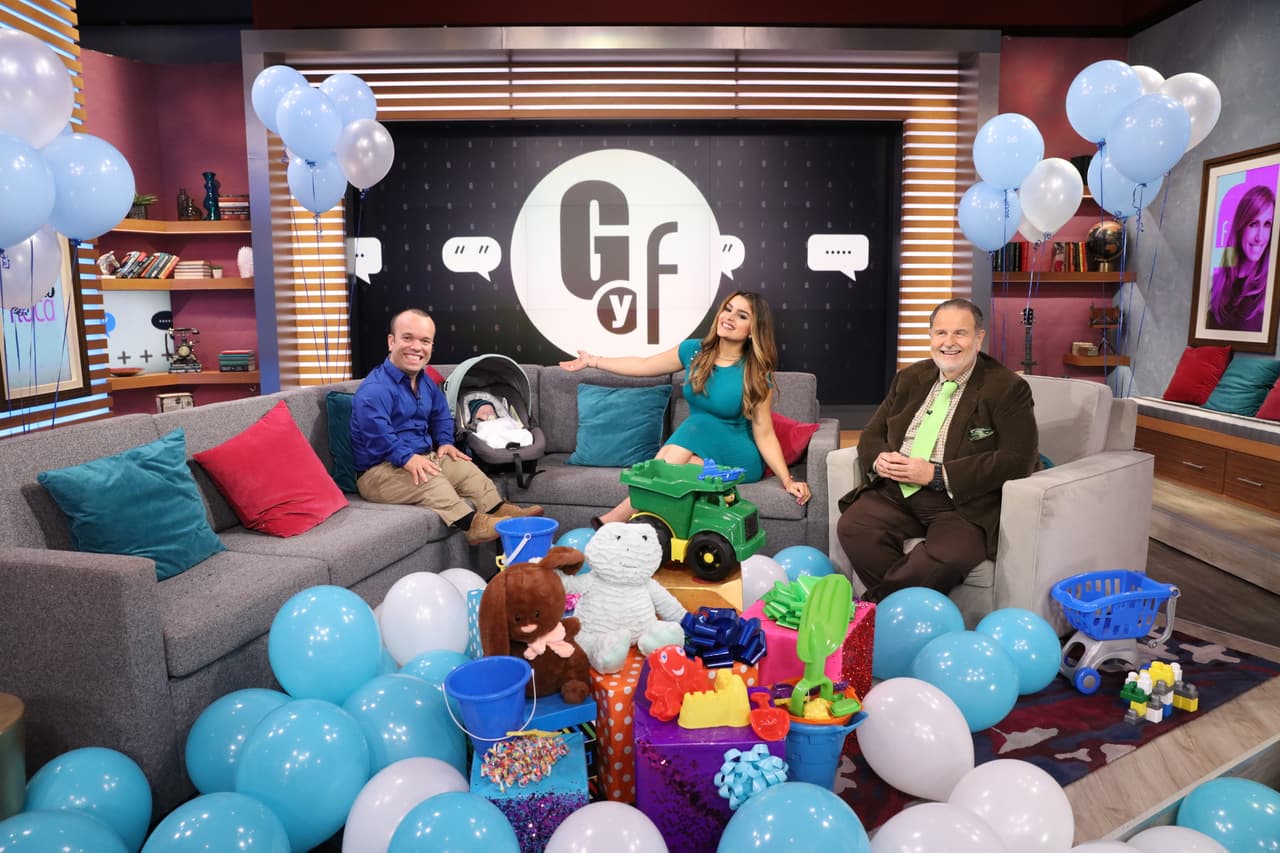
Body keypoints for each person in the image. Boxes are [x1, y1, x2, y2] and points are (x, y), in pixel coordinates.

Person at [835, 298, 1038, 602]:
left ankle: (874, 608)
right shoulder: (910, 377)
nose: (948, 342)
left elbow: (1018, 459)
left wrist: (937, 474)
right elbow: (873, 433)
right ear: (930, 336)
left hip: (960, 503)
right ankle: (903, 608)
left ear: (979, 338)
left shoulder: (1007, 388)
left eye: (960, 333)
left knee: (949, 557)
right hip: (898, 490)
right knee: (854, 526)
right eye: (941, 333)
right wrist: (878, 460)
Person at [559, 290, 811, 527]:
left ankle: (616, 518)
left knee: (699, 422)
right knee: (675, 470)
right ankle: (638, 525)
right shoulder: (693, 351)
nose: (729, 317)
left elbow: (764, 434)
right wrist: (593, 361)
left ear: (753, 331)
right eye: (728, 309)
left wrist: (787, 480)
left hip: (737, 457)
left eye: (742, 315)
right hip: (701, 451)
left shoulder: (756, 374)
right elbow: (643, 365)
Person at [350, 309, 543, 545]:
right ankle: (473, 526)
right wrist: (407, 458)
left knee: (464, 468)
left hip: (421, 457)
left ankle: (499, 509)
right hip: (379, 472)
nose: (416, 347)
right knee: (429, 480)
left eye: (425, 341)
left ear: (431, 346)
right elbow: (378, 435)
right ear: (391, 342)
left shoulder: (425, 382)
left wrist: (445, 442)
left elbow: (440, 414)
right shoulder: (374, 389)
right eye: (407, 338)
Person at [1208, 184, 1274, 332]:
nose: (1260, 237)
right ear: (1240, 226)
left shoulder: (1269, 289)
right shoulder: (1218, 281)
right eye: (1253, 224)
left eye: (1267, 224)